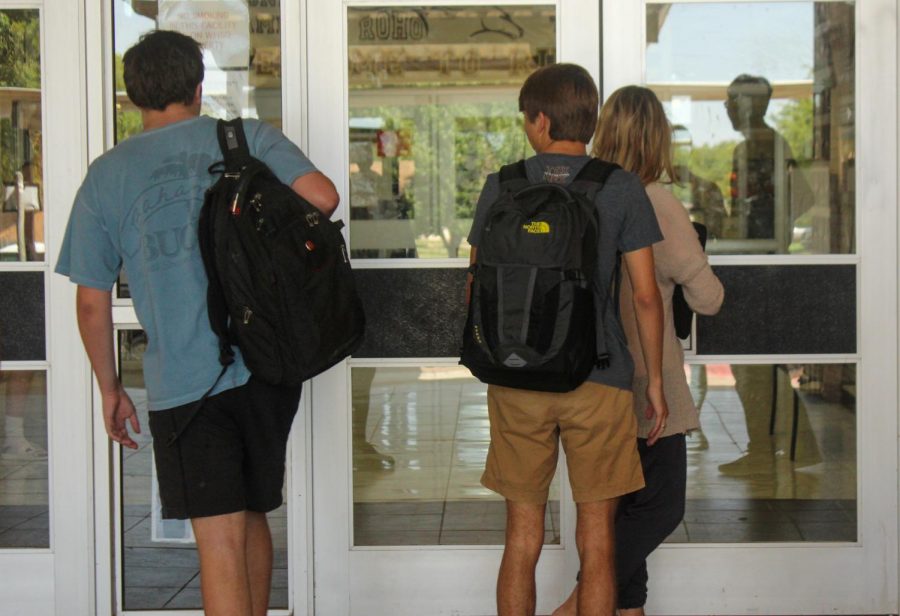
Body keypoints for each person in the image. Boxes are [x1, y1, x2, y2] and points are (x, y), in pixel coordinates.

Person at [55, 31, 338, 616]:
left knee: (219, 539)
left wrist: (110, 388)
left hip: (186, 381)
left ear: (133, 96)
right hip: (266, 364)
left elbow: (90, 301)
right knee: (253, 513)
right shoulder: (244, 140)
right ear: (197, 85)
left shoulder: (108, 175)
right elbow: (324, 197)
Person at [467, 64, 669, 616]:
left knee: (522, 537)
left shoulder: (503, 185)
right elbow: (646, 296)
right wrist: (650, 380)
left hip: (516, 378)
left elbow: (477, 283)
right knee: (598, 539)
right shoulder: (620, 186)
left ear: (539, 120)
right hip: (599, 377)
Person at [553, 86, 724, 616]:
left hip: (589, 374)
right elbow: (709, 298)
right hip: (646, 381)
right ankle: (578, 603)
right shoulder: (655, 200)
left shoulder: (589, 192)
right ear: (658, 140)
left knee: (619, 509)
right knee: (661, 506)